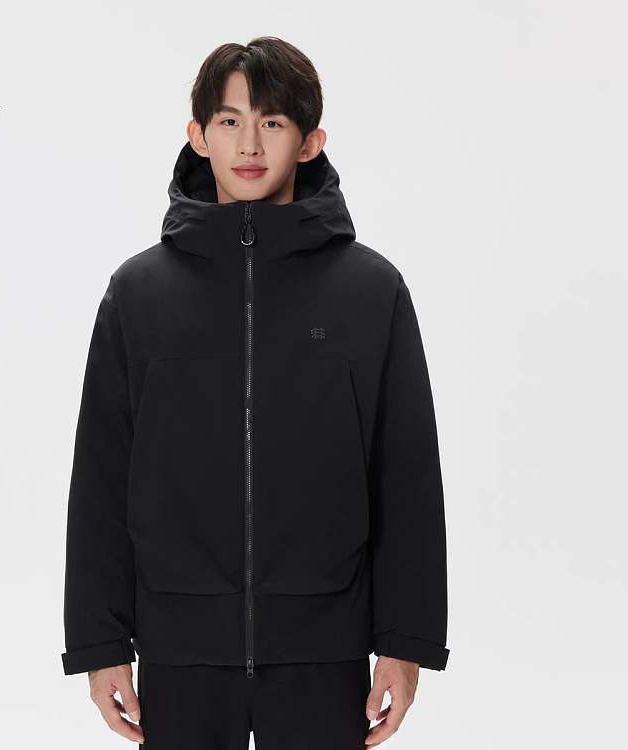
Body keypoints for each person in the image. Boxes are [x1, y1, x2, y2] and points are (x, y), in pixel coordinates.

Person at [60, 36, 450, 749]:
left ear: (309, 142)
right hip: (178, 650)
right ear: (198, 135)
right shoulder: (139, 294)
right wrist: (99, 641)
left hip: (324, 648)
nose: (249, 143)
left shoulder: (371, 292)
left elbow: (407, 474)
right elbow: (101, 476)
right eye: (230, 120)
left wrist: (406, 641)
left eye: (272, 122)